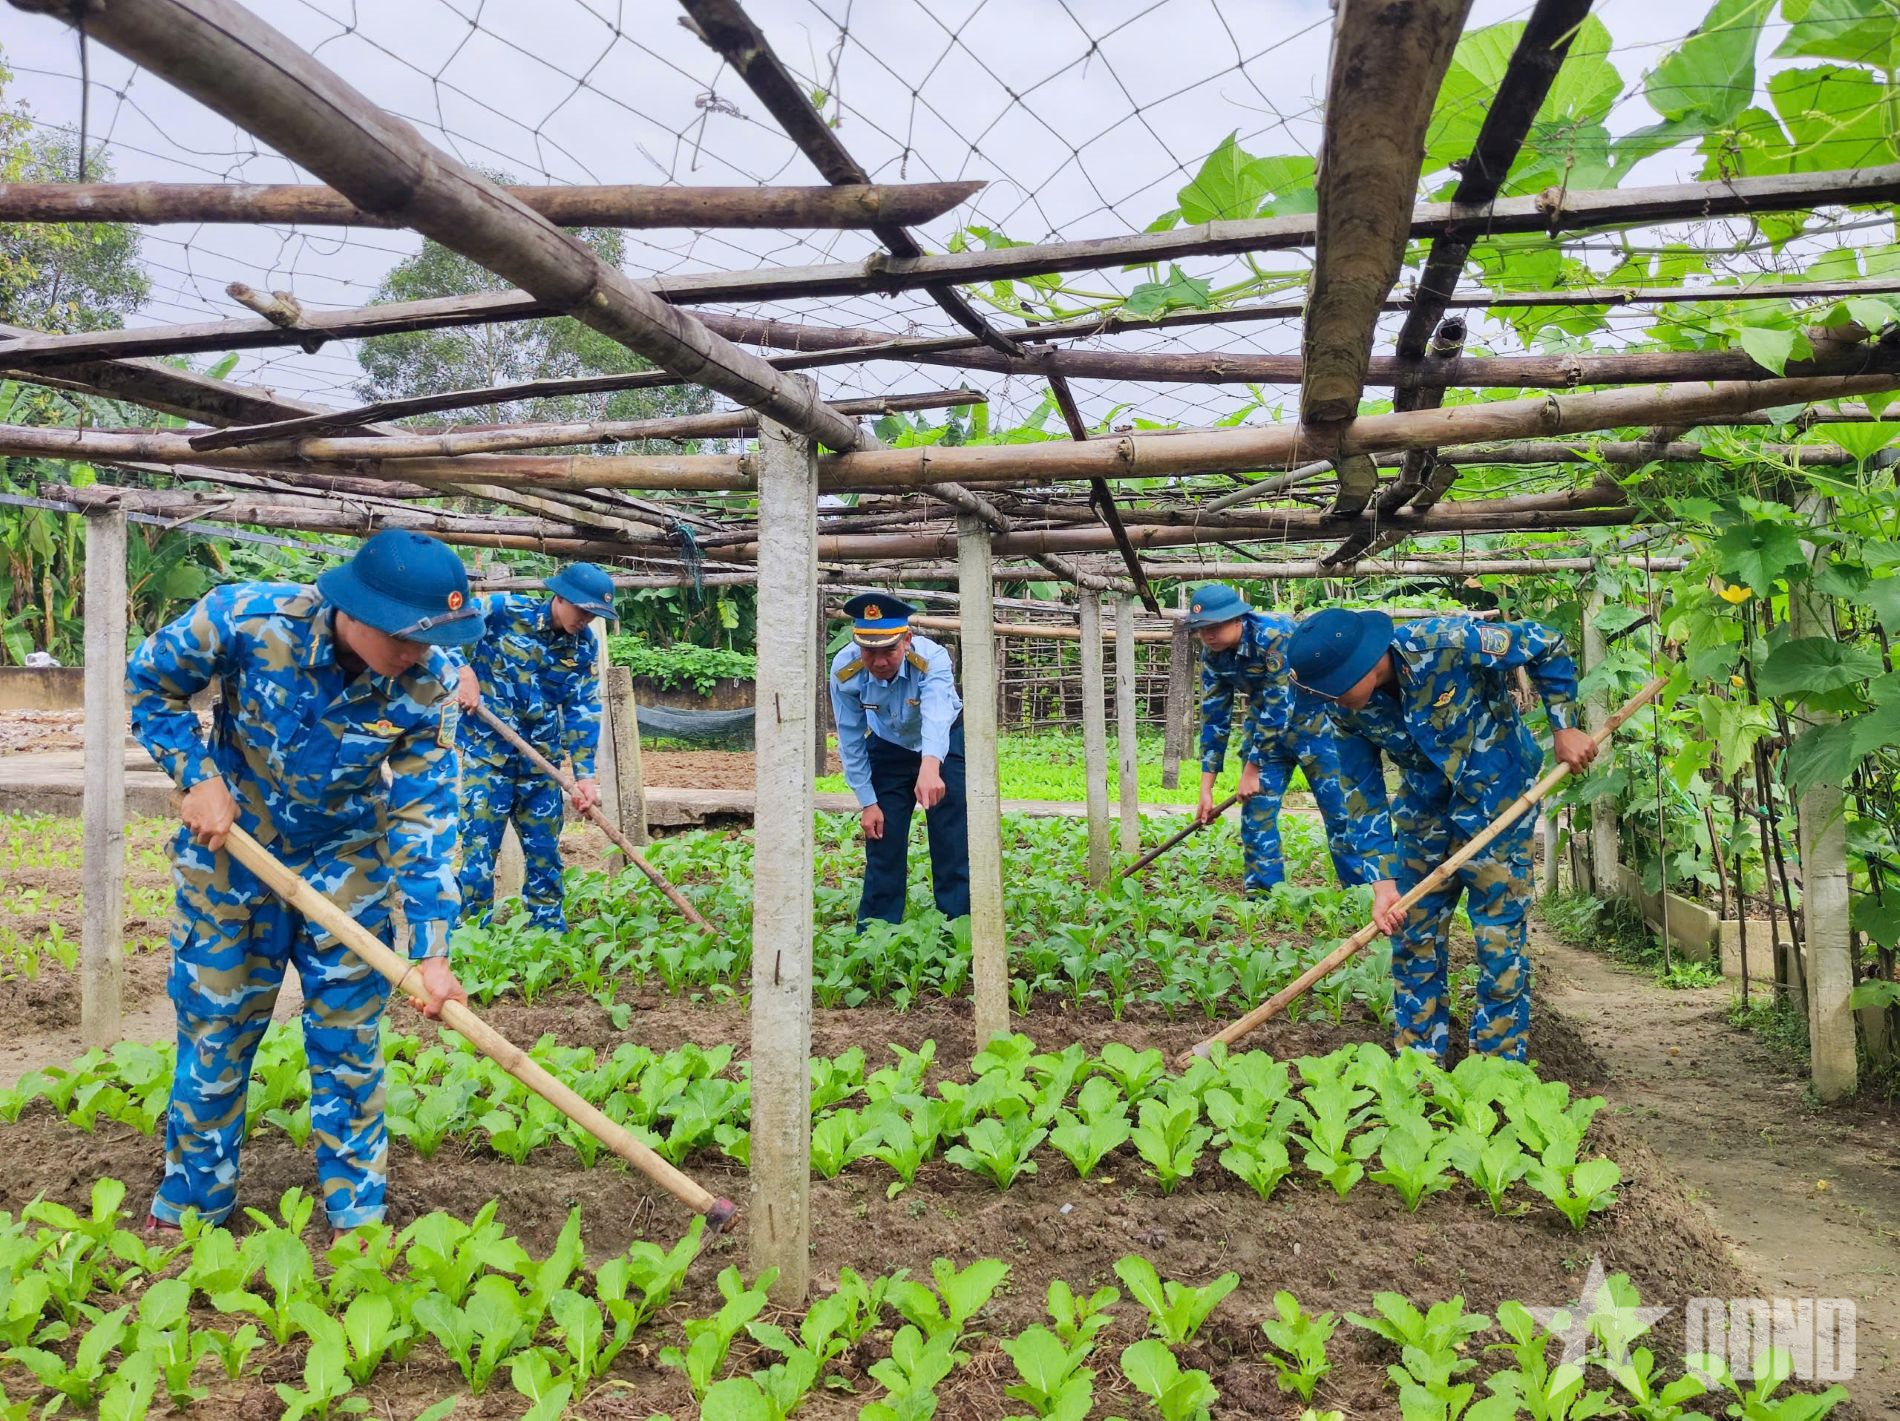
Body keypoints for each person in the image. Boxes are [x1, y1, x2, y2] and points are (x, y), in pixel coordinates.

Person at [127, 529, 480, 1236]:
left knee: (349, 1040)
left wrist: (433, 951)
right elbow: (150, 683)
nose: (419, 652)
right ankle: (193, 1205)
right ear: (360, 609)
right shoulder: (246, 618)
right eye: (408, 636)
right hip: (235, 850)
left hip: (347, 859)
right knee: (217, 1031)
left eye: (433, 637)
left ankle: (357, 1214)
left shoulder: (428, 683)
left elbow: (425, 814)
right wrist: (196, 776)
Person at [1287, 608, 1597, 1063]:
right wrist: (1383, 884)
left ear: (1366, 662)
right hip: (1424, 813)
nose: (1330, 699)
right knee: (1411, 931)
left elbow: (1544, 642)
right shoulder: (1347, 710)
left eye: (1334, 687)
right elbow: (1361, 789)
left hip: (1499, 801)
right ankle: (1418, 1065)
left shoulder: (1448, 641)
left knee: (1498, 937)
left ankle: (1498, 1069)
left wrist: (1563, 726)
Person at [1183, 584, 1386, 894]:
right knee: (1256, 815)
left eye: (1215, 625)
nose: (1208, 634)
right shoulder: (1214, 656)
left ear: (1238, 618)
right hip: (1264, 732)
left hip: (1315, 726)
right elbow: (1214, 718)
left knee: (1339, 813)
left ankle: (1360, 892)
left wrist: (1252, 770)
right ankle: (1265, 894)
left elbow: (1281, 703)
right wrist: (1205, 790)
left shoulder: (1273, 635)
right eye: (1201, 628)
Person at [451, 563, 616, 932]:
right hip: (488, 755)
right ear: (560, 596)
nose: (585, 620)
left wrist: (585, 775)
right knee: (479, 854)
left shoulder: (583, 645)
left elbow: (581, 708)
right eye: (582, 610)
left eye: (593, 614)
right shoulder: (501, 610)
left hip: (541, 761)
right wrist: (462, 672)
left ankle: (547, 936)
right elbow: (440, 624)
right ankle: (471, 940)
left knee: (544, 854)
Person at [828, 593, 969, 926]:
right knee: (882, 834)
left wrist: (931, 766)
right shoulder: (845, 671)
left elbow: (936, 712)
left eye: (888, 650)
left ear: (907, 640)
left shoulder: (932, 658)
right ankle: (877, 930)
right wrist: (867, 802)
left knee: (951, 833)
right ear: (856, 643)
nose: (878, 662)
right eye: (869, 651)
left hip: (944, 741)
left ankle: (959, 925)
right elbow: (850, 737)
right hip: (888, 745)